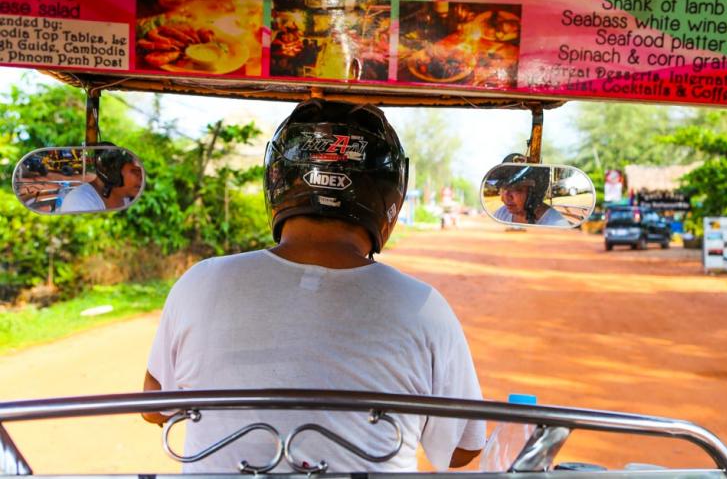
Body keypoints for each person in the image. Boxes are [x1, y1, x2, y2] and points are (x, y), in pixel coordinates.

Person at [142, 100, 485, 473]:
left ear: (277, 181)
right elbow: (460, 450)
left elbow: (155, 407)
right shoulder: (425, 308)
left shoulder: (201, 282)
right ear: (390, 198)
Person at [59, 147, 143, 212]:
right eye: (136, 172)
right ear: (113, 175)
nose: (142, 178)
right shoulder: (78, 201)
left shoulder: (127, 198)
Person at [492, 166, 570, 226]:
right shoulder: (502, 212)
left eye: (517, 189)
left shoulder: (555, 225)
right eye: (502, 189)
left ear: (534, 192)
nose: (504, 198)